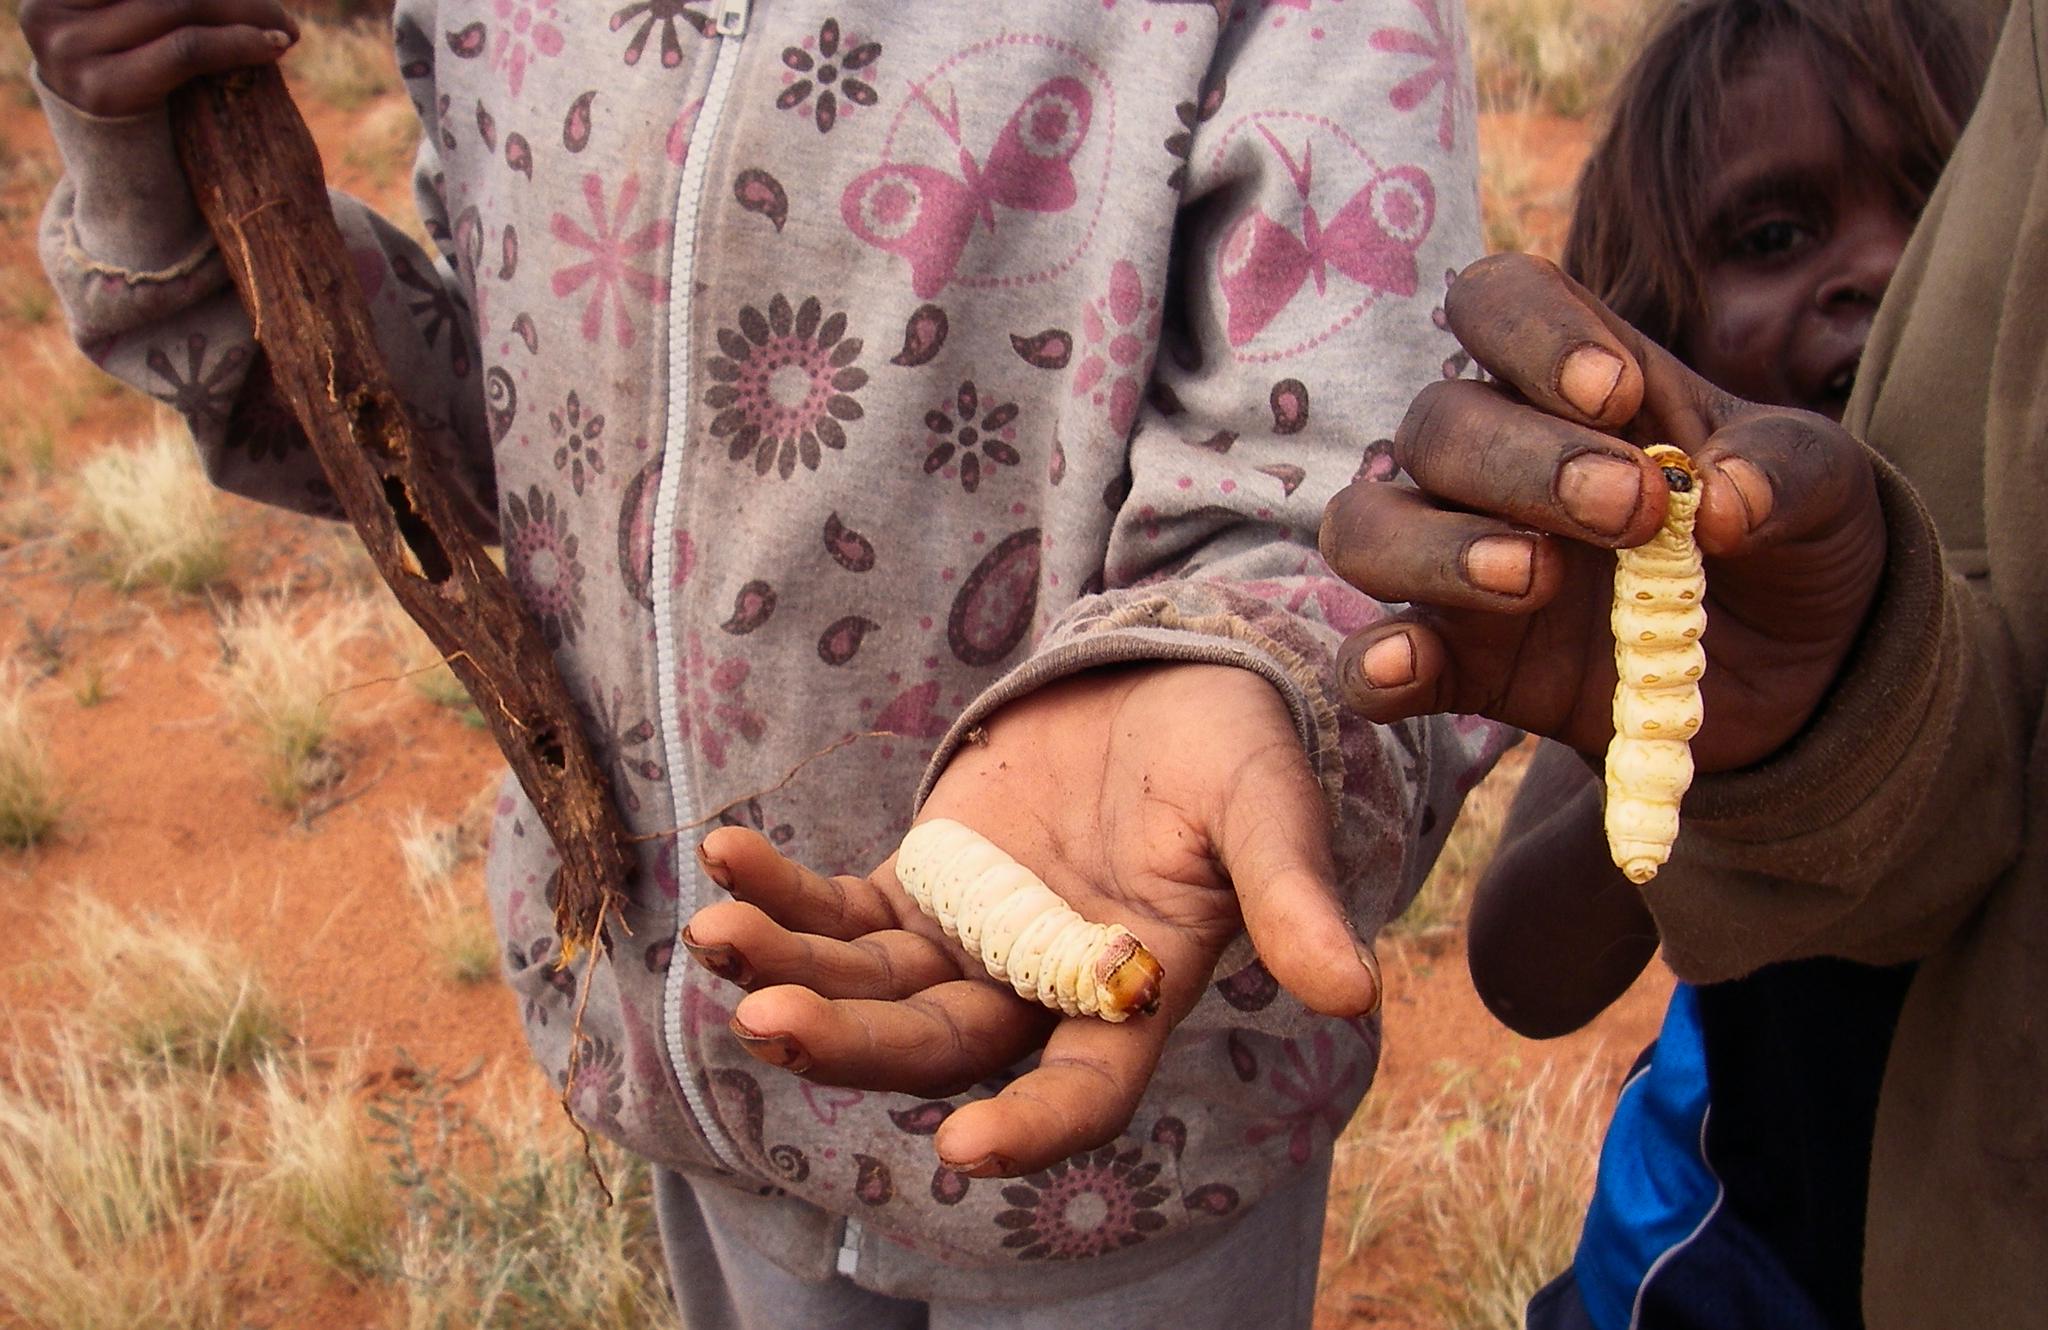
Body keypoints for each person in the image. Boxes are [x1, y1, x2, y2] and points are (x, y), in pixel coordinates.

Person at [22, 0, 1505, 1324]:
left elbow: (1359, 494)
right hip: (707, 1061)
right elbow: (472, 432)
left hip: (1137, 1134)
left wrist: (1248, 669)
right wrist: (156, 172)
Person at [1316, 0, 2047, 1321]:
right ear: (1658, 335)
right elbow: (1524, 967)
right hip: (1739, 1241)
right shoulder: (1666, 607)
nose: (1874, 270)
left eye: (1933, 213)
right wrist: (1703, 747)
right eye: (1773, 237)